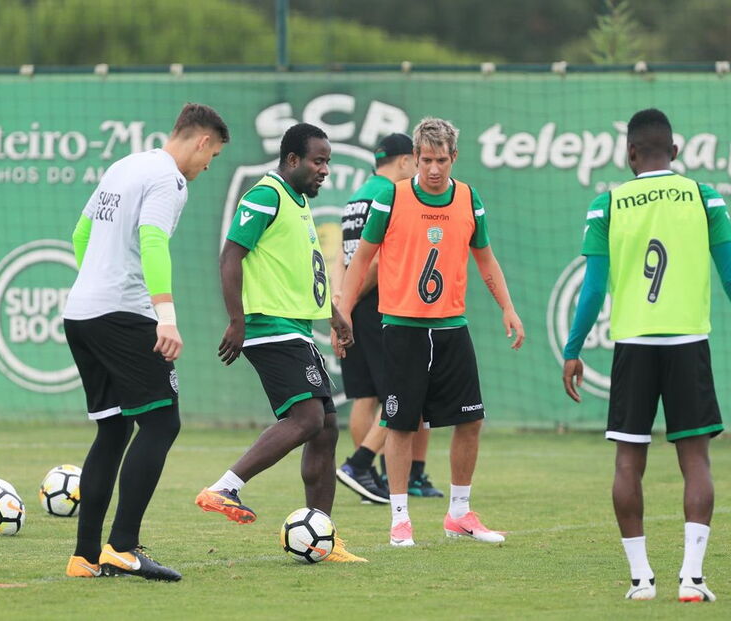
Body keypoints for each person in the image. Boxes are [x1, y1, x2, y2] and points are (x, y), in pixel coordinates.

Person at [562, 108, 731, 602]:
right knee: (696, 460)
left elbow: (593, 289)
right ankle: (692, 579)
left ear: (630, 154)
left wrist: (573, 349)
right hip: (688, 344)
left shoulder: (607, 204)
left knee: (626, 463)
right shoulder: (704, 198)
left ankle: (641, 581)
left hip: (633, 346)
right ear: (675, 153)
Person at [337, 117, 524, 547]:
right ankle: (399, 519)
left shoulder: (469, 200)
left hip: (452, 327)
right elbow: (361, 260)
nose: (434, 169)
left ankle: (459, 513)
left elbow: (486, 260)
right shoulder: (391, 198)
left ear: (453, 158)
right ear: (414, 158)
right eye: (426, 160)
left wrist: (508, 308)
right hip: (402, 328)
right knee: (401, 423)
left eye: (441, 160)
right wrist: (342, 314)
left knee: (471, 420)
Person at [62, 103, 229, 581]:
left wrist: (96, 284)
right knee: (161, 423)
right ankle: (123, 547)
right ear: (200, 141)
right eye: (212, 155)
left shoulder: (124, 165)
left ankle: (84, 556)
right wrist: (166, 318)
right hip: (122, 315)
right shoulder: (168, 180)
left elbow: (81, 234)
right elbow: (153, 241)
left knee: (114, 430)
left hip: (82, 313)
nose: (206, 166)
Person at [195, 122, 365, 562]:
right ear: (292, 160)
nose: (324, 169)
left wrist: (333, 315)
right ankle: (224, 488)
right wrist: (238, 320)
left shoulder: (298, 202)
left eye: (327, 161)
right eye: (317, 160)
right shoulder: (266, 194)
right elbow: (231, 255)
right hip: (270, 327)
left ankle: (322, 535)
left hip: (296, 327)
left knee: (326, 427)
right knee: (308, 419)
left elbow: (302, 270)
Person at [331, 133, 443, 505]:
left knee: (365, 394)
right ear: (402, 162)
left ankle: (372, 478)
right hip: (382, 304)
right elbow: (376, 261)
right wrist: (352, 298)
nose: (422, 168)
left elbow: (341, 256)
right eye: (416, 160)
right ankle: (365, 467)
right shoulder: (390, 195)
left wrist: (341, 302)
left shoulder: (354, 198)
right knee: (407, 391)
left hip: (355, 306)